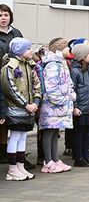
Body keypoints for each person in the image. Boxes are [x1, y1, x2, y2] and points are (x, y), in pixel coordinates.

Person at [0, 38, 40, 181]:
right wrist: (25, 104)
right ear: (20, 50)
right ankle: (12, 169)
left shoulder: (29, 65)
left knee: (23, 137)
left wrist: (35, 101)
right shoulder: (10, 67)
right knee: (15, 136)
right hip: (16, 109)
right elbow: (9, 89)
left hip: (28, 109)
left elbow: (37, 84)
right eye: (28, 49)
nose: (31, 51)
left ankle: (20, 165)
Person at [38, 38, 75, 173]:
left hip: (61, 104)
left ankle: (55, 159)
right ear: (59, 49)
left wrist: (71, 95)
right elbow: (51, 86)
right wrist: (61, 100)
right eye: (66, 47)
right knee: (49, 131)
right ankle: (48, 161)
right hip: (52, 105)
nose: (69, 50)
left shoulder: (62, 63)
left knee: (55, 131)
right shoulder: (53, 64)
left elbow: (68, 82)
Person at [0, 4, 24, 165]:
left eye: (5, 14)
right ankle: (2, 150)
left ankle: (13, 152)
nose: (3, 18)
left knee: (12, 115)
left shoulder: (16, 33)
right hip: (1, 77)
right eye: (0, 15)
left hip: (15, 78)